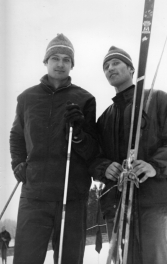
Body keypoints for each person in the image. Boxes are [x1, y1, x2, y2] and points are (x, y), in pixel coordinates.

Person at [91, 46, 167, 264]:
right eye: (106, 66)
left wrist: (154, 165)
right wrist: (104, 167)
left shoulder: (159, 100)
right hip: (116, 204)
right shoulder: (105, 118)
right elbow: (94, 158)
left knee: (153, 259)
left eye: (115, 63)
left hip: (152, 200)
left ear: (131, 68)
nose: (110, 69)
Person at [10, 33, 98, 264]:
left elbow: (92, 149)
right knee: (26, 258)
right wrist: (17, 162)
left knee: (69, 259)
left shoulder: (85, 98)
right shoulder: (27, 98)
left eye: (66, 60)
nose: (60, 64)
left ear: (72, 65)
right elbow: (16, 134)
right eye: (55, 58)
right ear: (46, 61)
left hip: (72, 193)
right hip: (35, 192)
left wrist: (78, 132)